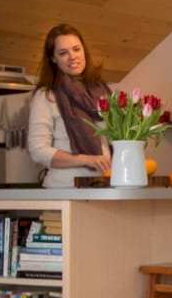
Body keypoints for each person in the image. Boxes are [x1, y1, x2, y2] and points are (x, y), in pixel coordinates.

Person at [27, 24, 112, 188]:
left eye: (76, 49)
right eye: (63, 53)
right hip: (65, 189)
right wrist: (86, 159)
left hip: (104, 186)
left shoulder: (102, 92)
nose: (72, 57)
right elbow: (38, 151)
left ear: (84, 51)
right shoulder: (46, 96)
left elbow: (116, 141)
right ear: (53, 59)